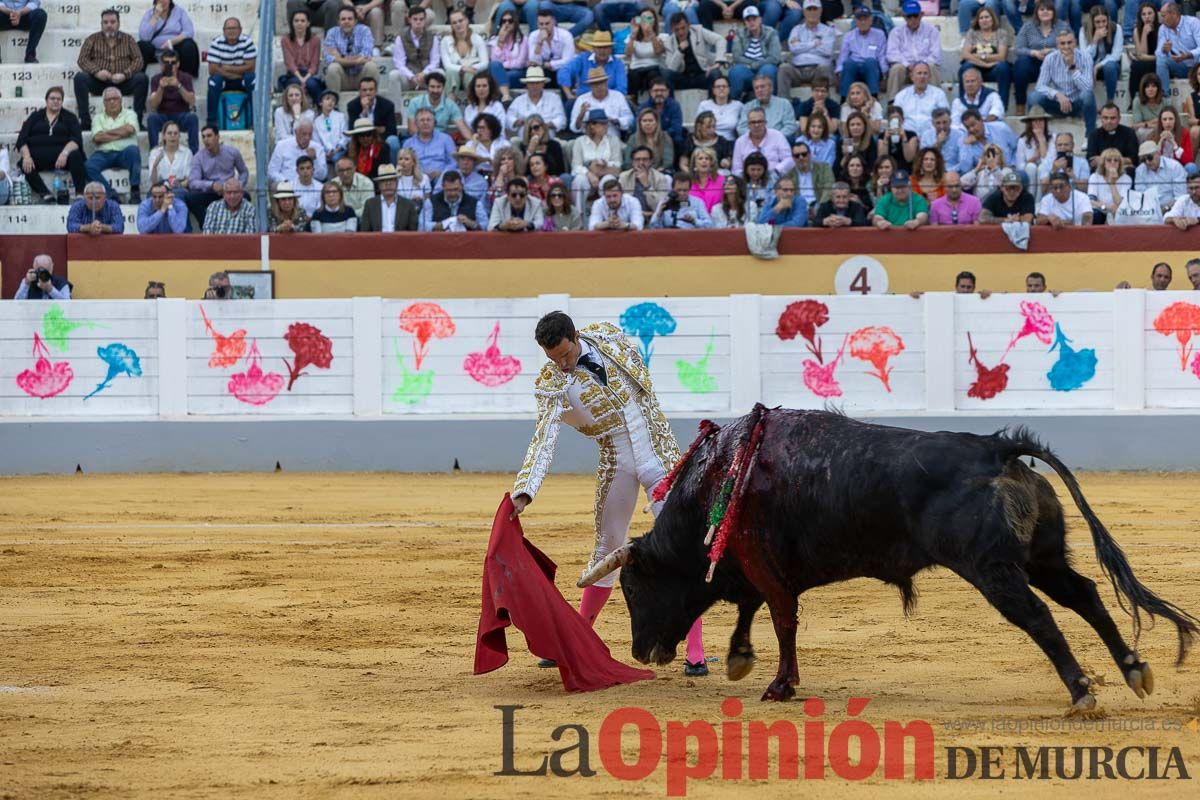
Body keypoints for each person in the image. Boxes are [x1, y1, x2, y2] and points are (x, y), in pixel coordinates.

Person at [510, 310, 707, 675]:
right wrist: (525, 490)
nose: (564, 365)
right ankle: (579, 637)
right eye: (554, 359)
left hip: (658, 454)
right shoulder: (551, 382)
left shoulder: (608, 337)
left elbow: (642, 392)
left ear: (576, 336)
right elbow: (543, 439)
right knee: (606, 546)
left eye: (567, 355)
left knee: (681, 549)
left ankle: (695, 652)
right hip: (616, 459)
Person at [74, 8, 148, 131]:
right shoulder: (92, 39)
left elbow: (139, 60)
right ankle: (85, 121)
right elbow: (82, 59)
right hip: (99, 82)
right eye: (106, 22)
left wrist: (125, 74)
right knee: (80, 78)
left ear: (118, 23)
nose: (109, 25)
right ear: (101, 24)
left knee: (142, 78)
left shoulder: (128, 39)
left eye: (113, 22)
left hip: (123, 83)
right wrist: (97, 71)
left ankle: (137, 120)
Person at [16, 86, 87, 203]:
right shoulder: (35, 116)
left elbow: (76, 140)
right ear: (46, 100)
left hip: (62, 157)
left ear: (62, 101)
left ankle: (79, 193)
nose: (55, 101)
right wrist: (27, 156)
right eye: (52, 98)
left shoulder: (70, 117)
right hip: (38, 156)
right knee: (23, 163)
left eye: (59, 99)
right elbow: (22, 139)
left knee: (76, 155)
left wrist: (64, 153)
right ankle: (45, 194)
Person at [1030, 30, 1096, 134]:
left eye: (1069, 42)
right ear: (1057, 45)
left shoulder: (1086, 57)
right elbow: (1040, 86)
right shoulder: (1050, 58)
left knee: (1087, 95)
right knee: (1034, 97)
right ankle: (1037, 135)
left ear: (1075, 42)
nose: (1066, 46)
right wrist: (1057, 94)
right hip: (1057, 105)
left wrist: (1072, 67)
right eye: (1062, 43)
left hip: (1077, 104)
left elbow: (1088, 87)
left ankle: (1090, 136)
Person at [1013, 1, 1071, 116]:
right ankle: (1020, 104)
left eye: (1048, 9)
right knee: (1021, 63)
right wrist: (1033, 52)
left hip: (1055, 66)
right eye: (1042, 9)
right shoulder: (1028, 27)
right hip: (1034, 64)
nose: (1045, 12)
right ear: (1037, 12)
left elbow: (1070, 47)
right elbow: (1018, 48)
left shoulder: (1062, 26)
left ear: (1054, 12)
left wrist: (1053, 51)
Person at [84, 87, 142, 202]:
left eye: (115, 98)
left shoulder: (130, 114)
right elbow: (97, 137)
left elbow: (129, 130)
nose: (112, 102)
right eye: (108, 99)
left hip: (125, 152)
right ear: (104, 103)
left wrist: (106, 133)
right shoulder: (98, 117)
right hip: (104, 153)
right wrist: (121, 133)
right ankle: (110, 194)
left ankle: (135, 190)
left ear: (121, 100)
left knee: (134, 151)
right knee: (87, 166)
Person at [185, 126, 249, 224]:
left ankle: (235, 226)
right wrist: (211, 185)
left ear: (217, 137)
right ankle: (206, 226)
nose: (206, 140)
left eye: (209, 136)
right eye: (203, 137)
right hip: (210, 192)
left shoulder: (232, 152)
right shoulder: (199, 157)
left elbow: (244, 172)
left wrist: (237, 186)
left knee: (246, 196)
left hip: (230, 191)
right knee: (190, 197)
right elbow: (193, 181)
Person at [205, 17, 257, 129]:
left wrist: (226, 67)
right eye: (228, 28)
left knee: (252, 79)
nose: (231, 31)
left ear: (240, 30)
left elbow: (251, 67)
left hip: (242, 80)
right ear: (224, 30)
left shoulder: (247, 42)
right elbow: (212, 69)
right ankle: (212, 122)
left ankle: (255, 120)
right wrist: (237, 70)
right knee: (213, 82)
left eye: (234, 28)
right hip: (225, 80)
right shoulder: (216, 42)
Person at [777, 0, 835, 98]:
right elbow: (793, 49)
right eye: (809, 9)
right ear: (804, 12)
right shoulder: (796, 29)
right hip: (797, 69)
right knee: (783, 68)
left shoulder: (828, 31)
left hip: (817, 69)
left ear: (820, 11)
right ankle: (784, 104)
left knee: (824, 68)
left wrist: (801, 45)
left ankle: (823, 105)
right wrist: (813, 44)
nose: (812, 12)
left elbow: (827, 51)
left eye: (815, 9)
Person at [146, 48, 199, 153]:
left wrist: (179, 86)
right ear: (161, 64)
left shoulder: (185, 78)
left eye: (173, 62)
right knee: (152, 118)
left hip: (181, 115)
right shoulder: (156, 79)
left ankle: (194, 155)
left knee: (192, 118)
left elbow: (191, 101)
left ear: (178, 64)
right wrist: (161, 88)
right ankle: (154, 154)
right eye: (166, 62)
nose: (170, 65)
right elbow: (153, 105)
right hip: (163, 115)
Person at [887, 1, 943, 97]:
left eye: (915, 15)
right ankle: (892, 104)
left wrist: (920, 66)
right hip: (906, 70)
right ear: (904, 17)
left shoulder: (932, 31)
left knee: (932, 67)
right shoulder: (896, 32)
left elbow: (936, 55)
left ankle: (938, 103)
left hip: (925, 69)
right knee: (896, 68)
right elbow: (892, 54)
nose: (913, 19)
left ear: (921, 15)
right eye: (909, 16)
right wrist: (908, 65)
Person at [959, 7, 1012, 108]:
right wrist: (985, 63)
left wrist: (978, 56)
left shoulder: (1001, 33)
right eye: (981, 18)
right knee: (965, 68)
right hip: (976, 69)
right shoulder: (972, 33)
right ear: (978, 21)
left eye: (987, 17)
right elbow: (965, 54)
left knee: (1004, 67)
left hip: (994, 70)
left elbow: (1001, 56)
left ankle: (1002, 106)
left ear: (992, 19)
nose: (984, 20)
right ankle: (964, 105)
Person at [663, 11, 727, 92]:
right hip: (683, 78)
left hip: (702, 75)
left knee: (715, 74)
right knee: (666, 75)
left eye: (683, 28)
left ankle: (712, 103)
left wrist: (718, 62)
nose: (681, 32)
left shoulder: (699, 31)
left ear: (688, 25)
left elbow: (720, 39)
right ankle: (670, 103)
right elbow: (671, 69)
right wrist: (679, 51)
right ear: (672, 29)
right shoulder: (669, 42)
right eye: (677, 29)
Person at [728, 6, 782, 100]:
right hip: (746, 70)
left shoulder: (771, 33)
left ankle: (769, 102)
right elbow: (737, 57)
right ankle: (734, 103)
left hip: (763, 68)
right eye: (748, 20)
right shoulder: (740, 33)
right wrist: (752, 65)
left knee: (768, 69)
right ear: (745, 22)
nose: (751, 22)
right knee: (736, 71)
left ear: (760, 19)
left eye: (754, 19)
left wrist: (754, 65)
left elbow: (774, 57)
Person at [572, 109, 624, 206]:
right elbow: (576, 166)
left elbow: (617, 163)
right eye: (602, 124)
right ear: (592, 125)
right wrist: (589, 174)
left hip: (606, 173)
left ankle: (610, 213)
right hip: (587, 176)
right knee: (579, 180)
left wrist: (605, 164)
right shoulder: (579, 141)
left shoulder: (613, 140)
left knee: (609, 180)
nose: (606, 126)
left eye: (606, 123)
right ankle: (579, 215)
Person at [323, 6, 378, 94]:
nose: (346, 21)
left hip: (361, 77)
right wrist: (356, 61)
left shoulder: (364, 30)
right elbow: (330, 58)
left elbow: (366, 55)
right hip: (342, 77)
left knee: (371, 66)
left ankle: (370, 102)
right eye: (343, 19)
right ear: (338, 21)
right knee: (333, 68)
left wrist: (341, 57)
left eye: (350, 19)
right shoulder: (332, 33)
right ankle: (334, 104)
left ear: (355, 21)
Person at [836, 6, 888, 98]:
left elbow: (882, 56)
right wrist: (839, 73)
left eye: (866, 19)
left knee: (870, 62)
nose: (863, 22)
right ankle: (844, 99)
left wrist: (884, 75)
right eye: (860, 19)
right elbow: (843, 56)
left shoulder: (879, 34)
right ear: (856, 21)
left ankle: (873, 97)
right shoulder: (849, 36)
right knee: (848, 63)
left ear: (871, 20)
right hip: (854, 67)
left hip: (871, 68)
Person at [137, 0, 198, 78]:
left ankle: (185, 79)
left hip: (175, 49)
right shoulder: (149, 14)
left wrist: (170, 42)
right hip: (155, 51)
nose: (163, 1)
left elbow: (189, 32)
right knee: (141, 46)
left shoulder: (179, 12)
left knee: (189, 45)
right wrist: (155, 16)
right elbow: (144, 37)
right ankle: (139, 79)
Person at [390, 6, 441, 94]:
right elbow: (399, 63)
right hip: (409, 78)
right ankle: (396, 106)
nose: (418, 22)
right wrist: (411, 76)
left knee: (440, 73)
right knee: (394, 75)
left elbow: (435, 62)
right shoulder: (401, 38)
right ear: (409, 20)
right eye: (415, 19)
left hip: (427, 77)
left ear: (425, 20)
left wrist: (424, 74)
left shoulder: (433, 38)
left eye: (421, 19)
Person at [892, 62, 949, 141]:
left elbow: (945, 118)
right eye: (919, 73)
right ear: (912, 77)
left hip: (931, 137)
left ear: (929, 77)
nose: (922, 76)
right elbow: (894, 120)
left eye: (925, 73)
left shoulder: (939, 94)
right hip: (906, 138)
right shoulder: (901, 96)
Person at [570, 67, 635, 136]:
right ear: (590, 85)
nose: (599, 86)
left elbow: (630, 120)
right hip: (589, 140)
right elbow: (574, 128)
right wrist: (581, 115)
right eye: (595, 84)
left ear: (607, 82)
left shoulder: (618, 96)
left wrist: (616, 121)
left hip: (613, 139)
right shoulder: (581, 99)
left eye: (601, 83)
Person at [405, 72, 470, 139]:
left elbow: (462, 127)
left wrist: (474, 141)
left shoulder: (450, 105)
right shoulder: (415, 102)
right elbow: (412, 129)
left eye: (438, 87)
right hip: (419, 139)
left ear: (443, 88)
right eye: (432, 87)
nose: (435, 90)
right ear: (427, 87)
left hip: (440, 140)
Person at [279, 8, 324, 105]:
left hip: (309, 74)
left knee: (312, 84)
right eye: (296, 21)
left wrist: (306, 78)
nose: (299, 23)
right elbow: (289, 63)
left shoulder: (315, 40)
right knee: (293, 85)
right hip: (294, 74)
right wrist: (301, 79)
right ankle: (292, 113)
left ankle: (321, 109)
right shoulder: (285, 40)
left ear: (308, 23)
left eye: (303, 21)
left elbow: (314, 64)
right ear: (292, 23)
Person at [507, 67, 567, 139]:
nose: (535, 86)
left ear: (543, 84)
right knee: (514, 141)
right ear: (527, 85)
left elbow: (562, 119)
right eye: (532, 83)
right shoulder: (518, 100)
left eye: (538, 83)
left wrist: (544, 125)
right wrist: (519, 122)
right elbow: (509, 118)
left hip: (548, 141)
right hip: (524, 142)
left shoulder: (554, 98)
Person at [348, 76, 400, 156]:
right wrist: (364, 112)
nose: (368, 93)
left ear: (376, 91)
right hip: (361, 139)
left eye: (371, 90)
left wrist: (375, 136)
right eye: (364, 90)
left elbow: (392, 131)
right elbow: (352, 129)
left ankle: (391, 167)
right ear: (359, 92)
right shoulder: (352, 106)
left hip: (381, 139)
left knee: (393, 140)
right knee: (350, 144)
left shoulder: (387, 105)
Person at [623, 8, 669, 101]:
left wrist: (652, 35)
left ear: (655, 21)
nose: (646, 21)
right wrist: (633, 35)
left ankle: (654, 102)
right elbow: (628, 53)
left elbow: (658, 51)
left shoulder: (662, 37)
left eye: (649, 18)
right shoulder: (632, 37)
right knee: (632, 75)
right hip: (636, 69)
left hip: (654, 68)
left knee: (653, 75)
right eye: (643, 18)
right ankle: (633, 103)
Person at [957, 109, 1019, 177]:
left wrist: (1014, 165)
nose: (971, 129)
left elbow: (1016, 146)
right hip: (984, 175)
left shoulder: (1001, 128)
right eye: (967, 127)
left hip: (1007, 170)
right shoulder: (964, 140)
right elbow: (965, 169)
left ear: (981, 120)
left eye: (973, 125)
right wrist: (967, 145)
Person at [1156, 3, 1200, 97]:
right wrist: (1164, 50)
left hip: (1197, 65)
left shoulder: (1193, 23)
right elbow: (1158, 53)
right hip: (1181, 66)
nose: (1161, 20)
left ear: (1174, 14)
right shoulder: (1163, 29)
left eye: (1164, 16)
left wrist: (1188, 55)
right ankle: (1164, 97)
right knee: (1161, 60)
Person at [441, 8, 488, 96]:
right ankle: (451, 104)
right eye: (454, 23)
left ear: (467, 21)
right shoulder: (446, 41)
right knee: (450, 72)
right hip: (454, 75)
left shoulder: (477, 39)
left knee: (469, 74)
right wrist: (462, 68)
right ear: (451, 25)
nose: (458, 24)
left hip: (472, 74)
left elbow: (485, 63)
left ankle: (473, 106)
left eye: (460, 21)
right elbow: (447, 65)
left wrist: (471, 68)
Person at [732, 108, 792, 176]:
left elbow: (789, 159)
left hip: (774, 178)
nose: (756, 125)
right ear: (748, 124)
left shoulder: (777, 136)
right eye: (753, 122)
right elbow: (736, 169)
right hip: (748, 180)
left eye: (759, 121)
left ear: (765, 122)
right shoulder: (740, 142)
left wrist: (776, 171)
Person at [618, 145, 670, 224]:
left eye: (645, 159)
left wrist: (646, 185)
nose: (641, 163)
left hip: (653, 218)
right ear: (632, 162)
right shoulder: (624, 177)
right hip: (630, 218)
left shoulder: (660, 178)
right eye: (637, 160)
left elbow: (660, 206)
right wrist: (637, 213)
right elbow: (620, 204)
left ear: (650, 161)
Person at [360, 164, 419, 232]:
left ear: (397, 183)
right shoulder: (370, 204)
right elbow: (365, 232)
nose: (388, 183)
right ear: (379, 185)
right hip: (377, 242)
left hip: (401, 242)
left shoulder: (408, 205)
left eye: (391, 180)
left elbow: (412, 233)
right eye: (384, 180)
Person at [420, 170, 487, 231]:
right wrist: (441, 225)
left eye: (456, 189)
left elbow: (486, 226)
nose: (453, 193)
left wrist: (471, 223)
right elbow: (421, 225)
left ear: (462, 186)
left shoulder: (475, 203)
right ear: (443, 187)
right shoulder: (431, 202)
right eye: (449, 190)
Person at [269, 119, 328, 187]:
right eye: (304, 134)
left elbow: (322, 176)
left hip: (309, 187)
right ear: (296, 132)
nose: (307, 138)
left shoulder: (318, 148)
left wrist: (315, 159)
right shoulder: (282, 146)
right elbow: (272, 172)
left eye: (310, 134)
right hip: (287, 187)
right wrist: (286, 182)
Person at [1081, 4, 1121, 103]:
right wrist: (1094, 40)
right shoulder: (1083, 30)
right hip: (1090, 68)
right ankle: (1085, 102)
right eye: (1097, 22)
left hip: (1108, 69)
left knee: (1110, 66)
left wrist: (1097, 66)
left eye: (1104, 21)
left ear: (1108, 19)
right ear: (1092, 21)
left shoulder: (1116, 28)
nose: (1101, 25)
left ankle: (1110, 101)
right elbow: (1083, 57)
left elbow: (1116, 55)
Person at [736, 74, 797, 139]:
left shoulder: (784, 104)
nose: (759, 90)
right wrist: (757, 137)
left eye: (762, 87)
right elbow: (741, 128)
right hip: (755, 141)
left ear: (771, 88)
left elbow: (790, 126)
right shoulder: (748, 106)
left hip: (777, 141)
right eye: (756, 88)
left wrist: (772, 138)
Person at [524, 8, 576, 84]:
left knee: (564, 72)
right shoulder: (534, 36)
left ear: (553, 22)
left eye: (547, 23)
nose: (544, 27)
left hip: (561, 69)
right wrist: (539, 43)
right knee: (534, 71)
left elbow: (568, 61)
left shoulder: (565, 35)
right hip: (544, 70)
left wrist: (550, 64)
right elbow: (534, 62)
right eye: (541, 24)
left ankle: (567, 95)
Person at [403, 107, 457, 182]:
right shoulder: (408, 143)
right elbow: (404, 165)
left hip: (442, 179)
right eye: (422, 120)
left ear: (434, 122)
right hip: (417, 180)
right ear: (416, 123)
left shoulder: (446, 139)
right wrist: (419, 174)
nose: (425, 123)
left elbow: (454, 162)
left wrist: (442, 173)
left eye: (428, 120)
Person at [1135, 139, 1188, 212]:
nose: (1147, 162)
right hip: (1149, 210)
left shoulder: (1174, 167)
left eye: (1150, 158)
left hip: (1173, 209)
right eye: (1143, 160)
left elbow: (1180, 197)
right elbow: (1141, 196)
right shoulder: (1140, 170)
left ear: (1158, 154)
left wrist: (1165, 209)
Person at [488, 9, 527, 102]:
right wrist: (501, 41)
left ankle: (501, 93)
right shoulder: (494, 40)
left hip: (518, 73)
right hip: (501, 72)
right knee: (494, 66)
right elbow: (495, 61)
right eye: (503, 21)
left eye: (510, 21)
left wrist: (504, 65)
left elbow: (520, 63)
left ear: (515, 23)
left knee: (498, 76)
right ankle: (506, 96)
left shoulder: (523, 40)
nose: (507, 23)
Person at [1086, 102, 1138, 171]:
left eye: (1113, 118)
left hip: (1122, 170)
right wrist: (1117, 160)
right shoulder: (1093, 135)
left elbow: (1132, 159)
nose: (1109, 121)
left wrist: (1104, 159)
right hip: (1101, 170)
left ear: (1119, 118)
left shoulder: (1129, 133)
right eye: (1105, 118)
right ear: (1100, 118)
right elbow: (1092, 160)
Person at [1128, 2, 1159, 112]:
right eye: (1144, 14)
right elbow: (1141, 54)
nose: (1147, 17)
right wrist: (1145, 34)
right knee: (1137, 65)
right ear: (1140, 17)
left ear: (1155, 14)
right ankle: (1134, 100)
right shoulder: (1137, 30)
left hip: (1159, 61)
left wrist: (1154, 58)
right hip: (1150, 59)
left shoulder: (1162, 28)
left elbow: (1159, 56)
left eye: (1150, 13)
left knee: (1141, 65)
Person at [1088, 147, 1131, 223]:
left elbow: (1119, 203)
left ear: (1119, 164)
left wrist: (1112, 183)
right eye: (1109, 160)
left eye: (1116, 160)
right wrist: (1105, 207)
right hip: (1100, 210)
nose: (1112, 162)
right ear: (1103, 163)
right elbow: (1091, 200)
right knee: (1095, 214)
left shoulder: (1126, 178)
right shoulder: (1095, 176)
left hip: (1118, 212)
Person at [638, 79, 684, 151]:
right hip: (647, 137)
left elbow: (676, 128)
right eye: (656, 90)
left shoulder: (674, 105)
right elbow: (637, 126)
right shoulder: (643, 106)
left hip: (668, 137)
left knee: (678, 139)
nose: (659, 93)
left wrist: (658, 135)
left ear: (668, 92)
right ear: (650, 92)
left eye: (662, 90)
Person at [784, 140, 832, 206]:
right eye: (797, 156)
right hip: (799, 207)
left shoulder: (824, 168)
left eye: (804, 154)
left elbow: (829, 188)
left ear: (810, 154)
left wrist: (820, 206)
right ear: (793, 158)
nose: (801, 158)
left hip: (819, 204)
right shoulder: (789, 176)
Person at [625, 108, 675, 172]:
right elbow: (627, 162)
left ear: (656, 123)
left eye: (650, 120)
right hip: (637, 171)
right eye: (644, 121)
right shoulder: (633, 138)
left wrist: (653, 173)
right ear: (640, 123)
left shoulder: (665, 137)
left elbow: (668, 161)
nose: (647, 124)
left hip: (660, 172)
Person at [696, 76, 743, 142]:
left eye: (724, 86)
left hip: (730, 143)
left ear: (729, 89)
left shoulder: (738, 105)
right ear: (713, 90)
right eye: (718, 86)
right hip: (709, 142)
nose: (721, 88)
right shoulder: (704, 105)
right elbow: (699, 127)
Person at [835, 111, 878, 181]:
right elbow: (837, 169)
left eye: (858, 124)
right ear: (848, 127)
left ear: (864, 126)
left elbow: (872, 166)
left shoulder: (871, 142)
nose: (855, 127)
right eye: (852, 125)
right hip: (846, 179)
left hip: (865, 178)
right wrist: (845, 156)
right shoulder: (841, 142)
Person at [921, 108, 963, 175]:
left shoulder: (960, 135)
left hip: (954, 172)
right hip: (931, 172)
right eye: (938, 123)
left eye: (944, 122)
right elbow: (923, 159)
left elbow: (963, 162)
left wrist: (948, 171)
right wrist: (938, 143)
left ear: (950, 122)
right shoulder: (926, 136)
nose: (942, 126)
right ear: (933, 123)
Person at [312, 90, 348, 166]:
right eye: (327, 99)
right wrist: (324, 153)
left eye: (333, 100)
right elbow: (316, 141)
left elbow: (345, 135)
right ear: (320, 103)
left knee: (336, 158)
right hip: (324, 150)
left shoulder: (340, 117)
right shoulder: (316, 121)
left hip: (339, 149)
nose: (330, 102)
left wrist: (337, 149)